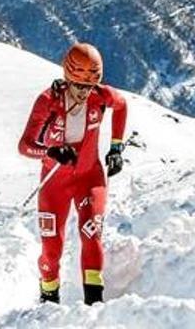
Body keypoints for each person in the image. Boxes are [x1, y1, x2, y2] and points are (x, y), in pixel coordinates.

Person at [18, 43, 127, 305]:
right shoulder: (48, 101)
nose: (83, 93)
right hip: (54, 184)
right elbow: (24, 146)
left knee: (91, 235)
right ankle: (49, 297)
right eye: (78, 86)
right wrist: (50, 153)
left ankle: (94, 304)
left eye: (88, 87)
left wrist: (116, 148)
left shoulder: (100, 96)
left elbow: (122, 106)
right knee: (51, 248)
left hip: (90, 178)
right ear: (67, 79)